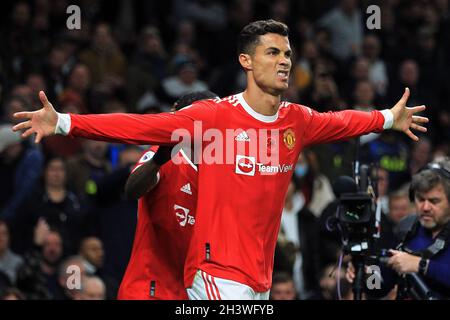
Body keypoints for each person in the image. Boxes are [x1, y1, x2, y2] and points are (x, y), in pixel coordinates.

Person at [13, 20, 428, 300]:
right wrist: (66, 122)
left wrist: (390, 117)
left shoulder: (296, 120)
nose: (284, 61)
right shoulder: (213, 118)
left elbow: (343, 121)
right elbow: (137, 125)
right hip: (216, 273)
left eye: (287, 53)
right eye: (272, 53)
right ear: (246, 61)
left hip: (260, 276)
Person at [118, 91, 218, 300]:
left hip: (193, 292)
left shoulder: (222, 172)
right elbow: (132, 190)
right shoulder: (164, 156)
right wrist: (156, 162)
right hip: (149, 288)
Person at [346, 158, 450, 299]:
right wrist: (366, 274)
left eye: (434, 201)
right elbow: (378, 288)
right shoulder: (407, 230)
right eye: (420, 199)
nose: (425, 207)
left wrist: (421, 265)